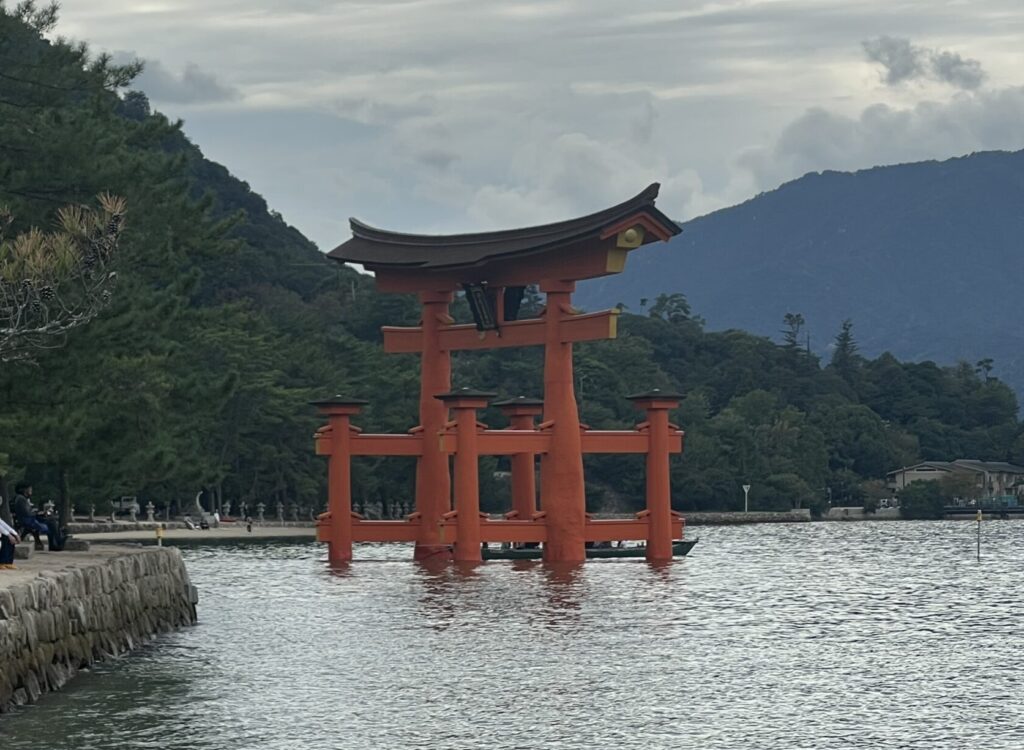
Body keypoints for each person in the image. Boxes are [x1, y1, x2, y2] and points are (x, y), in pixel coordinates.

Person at [12, 482, 65, 552]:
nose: (31, 490)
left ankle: (56, 543)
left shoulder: (21, 498)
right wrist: (38, 513)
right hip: (28, 521)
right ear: (24, 490)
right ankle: (57, 542)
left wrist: (38, 513)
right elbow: (27, 513)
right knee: (52, 522)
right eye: (29, 488)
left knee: (52, 520)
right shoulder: (21, 499)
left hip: (28, 519)